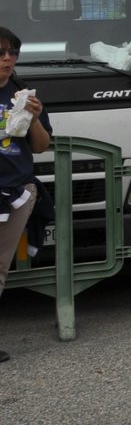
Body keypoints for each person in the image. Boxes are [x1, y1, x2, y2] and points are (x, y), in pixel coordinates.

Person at [0, 25, 53, 362]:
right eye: (0, 52)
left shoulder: (22, 94)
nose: (7, 59)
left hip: (15, 191)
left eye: (12, 53)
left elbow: (41, 146)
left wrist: (34, 118)